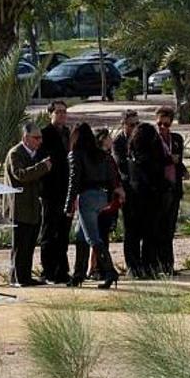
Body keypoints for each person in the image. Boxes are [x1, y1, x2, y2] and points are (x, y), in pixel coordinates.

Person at [65, 123, 122, 289]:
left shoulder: (76, 154)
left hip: (87, 196)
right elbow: (111, 177)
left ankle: (110, 271)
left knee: (92, 237)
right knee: (80, 235)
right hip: (102, 196)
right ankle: (78, 274)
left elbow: (73, 181)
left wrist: (69, 205)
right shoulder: (101, 154)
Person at [4, 123, 52, 286]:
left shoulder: (36, 153)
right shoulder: (15, 153)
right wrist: (42, 167)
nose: (39, 141)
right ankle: (17, 278)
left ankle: (25, 276)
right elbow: (21, 175)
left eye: (40, 138)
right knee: (19, 244)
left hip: (33, 205)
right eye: (36, 138)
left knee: (30, 243)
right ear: (26, 138)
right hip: (19, 206)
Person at [128, 122, 169, 277]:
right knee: (150, 235)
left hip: (135, 198)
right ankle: (148, 266)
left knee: (134, 235)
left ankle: (135, 267)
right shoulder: (155, 157)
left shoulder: (132, 156)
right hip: (152, 198)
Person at [38, 100, 72, 284]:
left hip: (66, 189)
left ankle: (62, 270)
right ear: (50, 113)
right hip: (51, 190)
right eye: (58, 112)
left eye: (64, 112)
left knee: (63, 232)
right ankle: (48, 270)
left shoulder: (67, 133)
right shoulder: (44, 134)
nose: (61, 115)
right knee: (49, 231)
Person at [155, 106, 189, 275]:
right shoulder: (152, 139)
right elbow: (150, 161)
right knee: (157, 228)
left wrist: (182, 167)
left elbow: (178, 159)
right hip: (158, 189)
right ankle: (156, 264)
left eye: (166, 125)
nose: (162, 128)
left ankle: (168, 265)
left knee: (169, 229)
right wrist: (168, 159)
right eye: (159, 124)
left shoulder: (176, 139)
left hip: (173, 188)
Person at [112, 110, 143, 277]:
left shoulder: (142, 139)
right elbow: (121, 166)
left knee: (141, 229)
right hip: (127, 191)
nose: (135, 128)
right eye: (132, 125)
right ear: (124, 125)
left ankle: (142, 264)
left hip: (141, 190)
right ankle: (132, 266)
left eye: (137, 124)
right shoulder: (119, 142)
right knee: (130, 230)